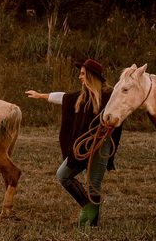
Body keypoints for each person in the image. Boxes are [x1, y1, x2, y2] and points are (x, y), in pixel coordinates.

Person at [25, 58, 121, 226]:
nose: (79, 77)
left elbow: (123, 109)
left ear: (91, 76)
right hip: (82, 146)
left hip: (101, 146)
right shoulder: (81, 97)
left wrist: (112, 123)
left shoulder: (109, 96)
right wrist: (41, 95)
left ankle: (92, 224)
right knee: (63, 175)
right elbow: (63, 97)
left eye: (83, 74)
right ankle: (87, 206)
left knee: (94, 185)